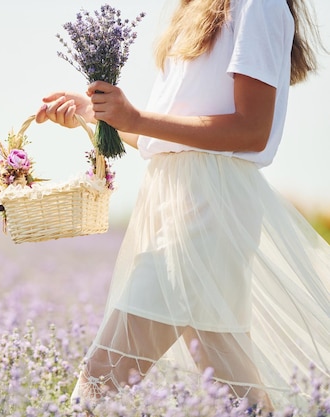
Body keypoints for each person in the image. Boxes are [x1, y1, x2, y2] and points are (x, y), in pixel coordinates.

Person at [35, 0, 330, 411]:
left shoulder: (257, 4)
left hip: (211, 209)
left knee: (100, 382)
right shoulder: (195, 7)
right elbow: (167, 139)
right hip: (174, 205)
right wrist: (98, 113)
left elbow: (252, 130)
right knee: (235, 394)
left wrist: (134, 118)